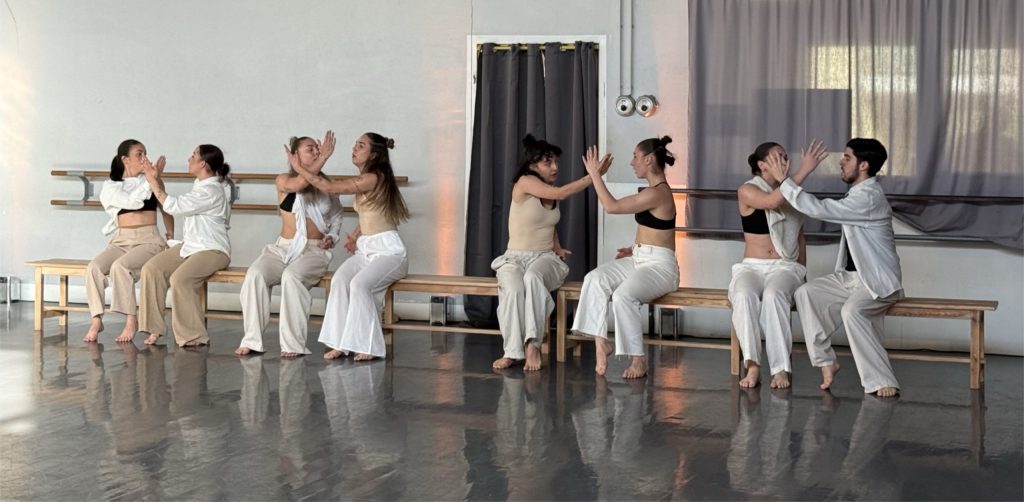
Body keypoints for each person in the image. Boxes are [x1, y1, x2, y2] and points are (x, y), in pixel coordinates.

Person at [763, 138, 903, 397]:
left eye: (847, 158)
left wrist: (785, 181)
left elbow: (820, 209)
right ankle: (826, 361)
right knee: (805, 293)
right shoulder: (858, 194)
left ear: (864, 165)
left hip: (876, 281)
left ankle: (883, 380)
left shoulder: (869, 197)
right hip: (850, 279)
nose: (841, 162)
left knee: (852, 312)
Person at [491, 134, 610, 371]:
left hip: (544, 258)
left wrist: (556, 246)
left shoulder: (549, 190)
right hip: (514, 258)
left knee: (532, 278)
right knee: (513, 289)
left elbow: (547, 222)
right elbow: (563, 193)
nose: (555, 167)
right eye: (548, 162)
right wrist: (594, 175)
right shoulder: (525, 182)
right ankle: (512, 352)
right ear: (532, 165)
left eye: (556, 161)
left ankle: (533, 345)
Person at [291, 131, 409, 361]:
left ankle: (369, 345)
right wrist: (355, 235)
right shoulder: (367, 178)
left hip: (390, 253)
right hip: (367, 249)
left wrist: (299, 167)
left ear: (373, 154)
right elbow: (371, 215)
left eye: (361, 145)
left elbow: (330, 187)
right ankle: (341, 343)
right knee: (340, 281)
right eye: (355, 144)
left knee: (359, 285)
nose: (354, 148)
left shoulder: (374, 177)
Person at [572, 137, 680, 379]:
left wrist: (594, 174)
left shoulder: (658, 193)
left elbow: (611, 206)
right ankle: (601, 343)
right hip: (640, 259)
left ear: (648, 160)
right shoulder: (652, 192)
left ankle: (638, 359)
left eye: (635, 157)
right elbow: (657, 230)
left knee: (623, 296)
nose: (632, 162)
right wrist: (635, 248)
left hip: (661, 268)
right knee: (594, 279)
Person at [729, 139, 827, 388]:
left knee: (774, 296)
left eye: (785, 156)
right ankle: (752, 365)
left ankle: (780, 369)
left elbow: (800, 236)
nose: (784, 161)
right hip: (752, 266)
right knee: (743, 295)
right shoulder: (747, 190)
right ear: (762, 165)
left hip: (785, 266)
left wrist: (802, 272)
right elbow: (772, 201)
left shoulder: (793, 193)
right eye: (777, 157)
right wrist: (805, 169)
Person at [236, 133, 343, 357]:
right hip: (283, 248)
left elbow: (336, 216)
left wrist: (332, 237)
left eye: (317, 149)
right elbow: (300, 183)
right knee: (255, 274)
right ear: (295, 155)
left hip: (313, 250)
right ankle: (251, 340)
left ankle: (293, 344)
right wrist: (322, 159)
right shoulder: (283, 180)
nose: (316, 152)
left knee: (291, 277)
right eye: (310, 149)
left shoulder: (326, 185)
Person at [136, 144, 232, 347]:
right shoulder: (200, 185)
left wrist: (152, 180)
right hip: (191, 247)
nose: (189, 159)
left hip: (213, 250)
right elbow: (170, 202)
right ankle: (154, 327)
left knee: (180, 279)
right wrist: (155, 179)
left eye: (193, 156)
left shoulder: (212, 190)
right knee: (152, 269)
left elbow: (174, 206)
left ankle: (194, 336)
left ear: (203, 163)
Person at [84, 139, 174, 343]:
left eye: (145, 154)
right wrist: (152, 179)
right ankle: (96, 319)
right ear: (125, 159)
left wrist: (170, 236)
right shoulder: (111, 187)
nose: (144, 158)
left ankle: (131, 320)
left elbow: (166, 209)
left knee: (121, 267)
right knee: (93, 268)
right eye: (139, 154)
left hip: (148, 239)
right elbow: (131, 202)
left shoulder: (152, 181)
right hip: (121, 239)